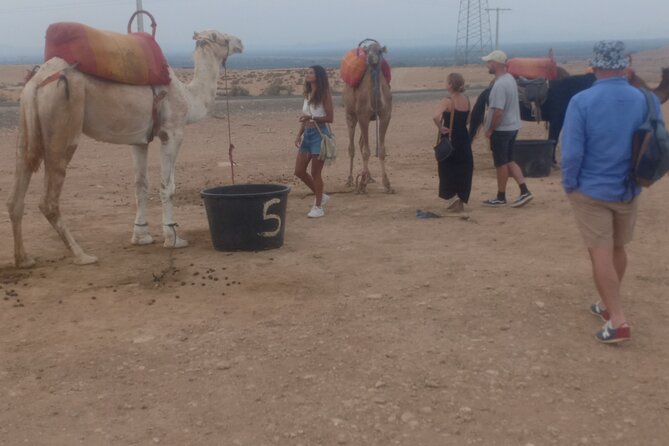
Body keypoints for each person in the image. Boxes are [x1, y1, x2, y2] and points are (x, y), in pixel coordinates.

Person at [561, 40, 663, 344]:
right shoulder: (647, 99)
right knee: (618, 249)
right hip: (630, 187)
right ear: (624, 66)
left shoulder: (582, 101)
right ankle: (607, 304)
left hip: (591, 190)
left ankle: (617, 319)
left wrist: (569, 183)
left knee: (600, 253)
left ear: (595, 66)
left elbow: (572, 153)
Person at [480, 50, 533, 208]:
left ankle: (501, 196)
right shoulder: (510, 79)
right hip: (513, 126)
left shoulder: (499, 85)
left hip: (502, 130)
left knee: (501, 163)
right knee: (509, 160)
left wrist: (490, 129)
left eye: (489, 62)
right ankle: (524, 190)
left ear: (495, 64)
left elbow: (498, 111)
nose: (487, 65)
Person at [294, 65, 334, 218]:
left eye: (311, 72)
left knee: (315, 172)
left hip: (319, 134)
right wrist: (299, 134)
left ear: (318, 76)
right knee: (299, 171)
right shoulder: (308, 93)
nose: (308, 74)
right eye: (308, 72)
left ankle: (318, 207)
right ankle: (320, 195)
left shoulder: (324, 94)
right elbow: (305, 116)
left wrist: (311, 118)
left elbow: (330, 118)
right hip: (308, 134)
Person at [432, 72, 473, 215]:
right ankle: (460, 200)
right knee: (463, 169)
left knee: (446, 169)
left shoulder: (447, 101)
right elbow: (468, 120)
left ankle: (453, 199)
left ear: (450, 85)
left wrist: (440, 127)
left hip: (450, 138)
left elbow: (435, 116)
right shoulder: (467, 100)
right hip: (463, 138)